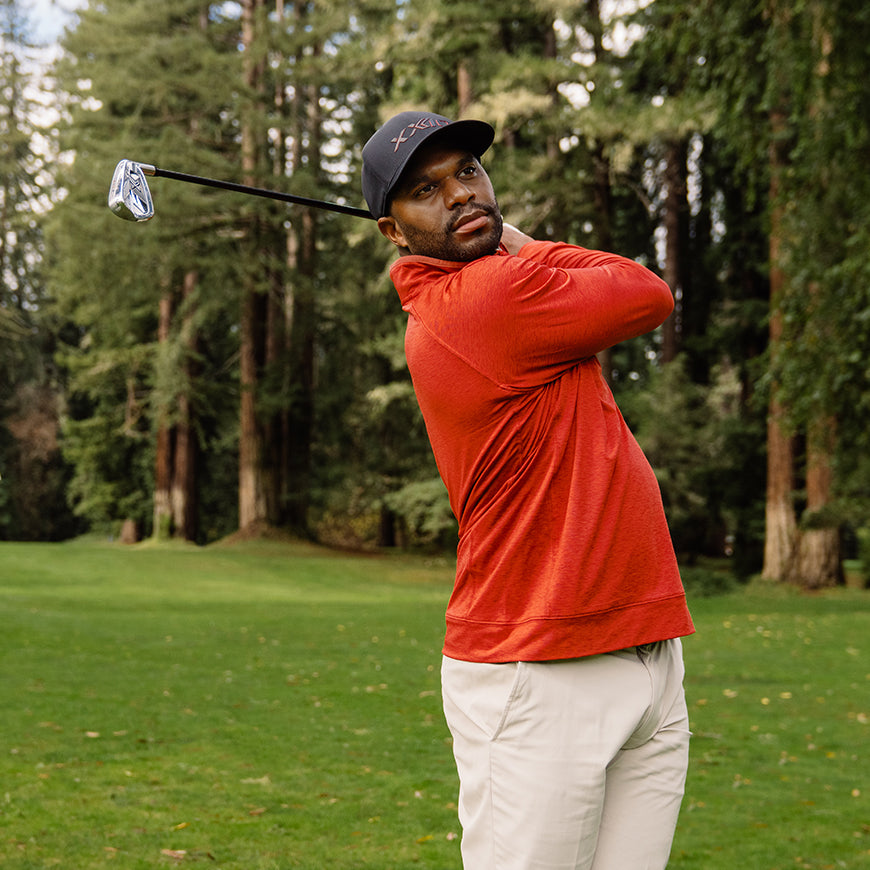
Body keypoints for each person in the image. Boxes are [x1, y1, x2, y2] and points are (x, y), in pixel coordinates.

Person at [361, 110, 695, 870]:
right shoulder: (483, 300)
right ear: (393, 231)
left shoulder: (501, 290)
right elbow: (646, 292)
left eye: (467, 173)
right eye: (426, 190)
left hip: (641, 652)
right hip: (540, 669)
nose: (460, 194)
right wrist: (522, 240)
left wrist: (508, 245)